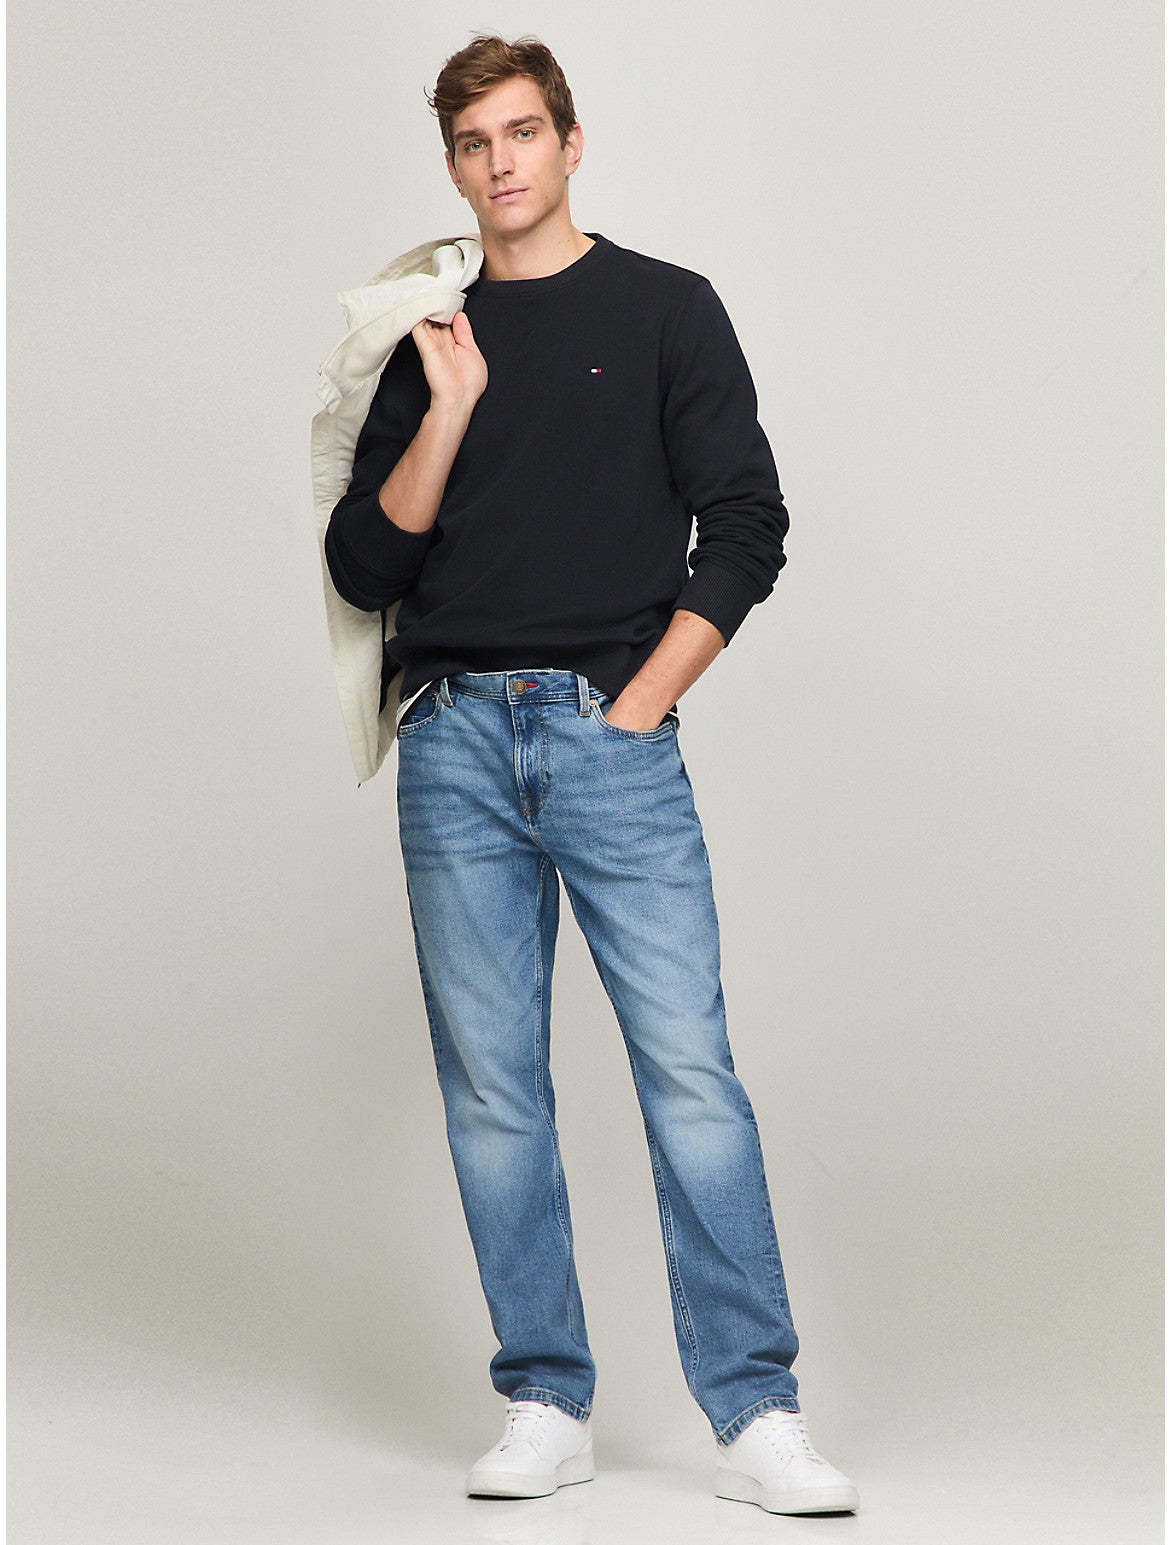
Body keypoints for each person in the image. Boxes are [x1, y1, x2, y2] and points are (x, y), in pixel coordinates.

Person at [324, 32, 860, 1519]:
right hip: (451, 741)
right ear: (453, 167)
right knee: (494, 1089)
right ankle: (544, 1400)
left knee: (688, 1071)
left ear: (569, 142)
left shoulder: (667, 308)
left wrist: (639, 705)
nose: (499, 162)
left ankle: (756, 1411)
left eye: (520, 132)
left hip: (607, 732)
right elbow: (364, 564)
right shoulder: (427, 337)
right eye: (471, 143)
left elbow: (745, 521)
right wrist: (447, 406)